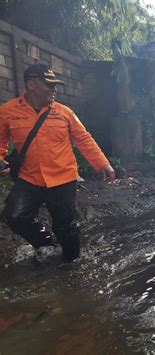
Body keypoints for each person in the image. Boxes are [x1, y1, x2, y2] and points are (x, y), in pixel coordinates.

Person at [0, 64, 115, 261]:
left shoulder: (65, 112)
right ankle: (45, 243)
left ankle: (72, 265)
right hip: (29, 178)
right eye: (49, 85)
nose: (54, 89)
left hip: (63, 178)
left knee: (66, 225)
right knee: (15, 215)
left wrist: (102, 164)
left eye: (55, 85)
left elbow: (84, 139)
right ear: (31, 85)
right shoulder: (8, 111)